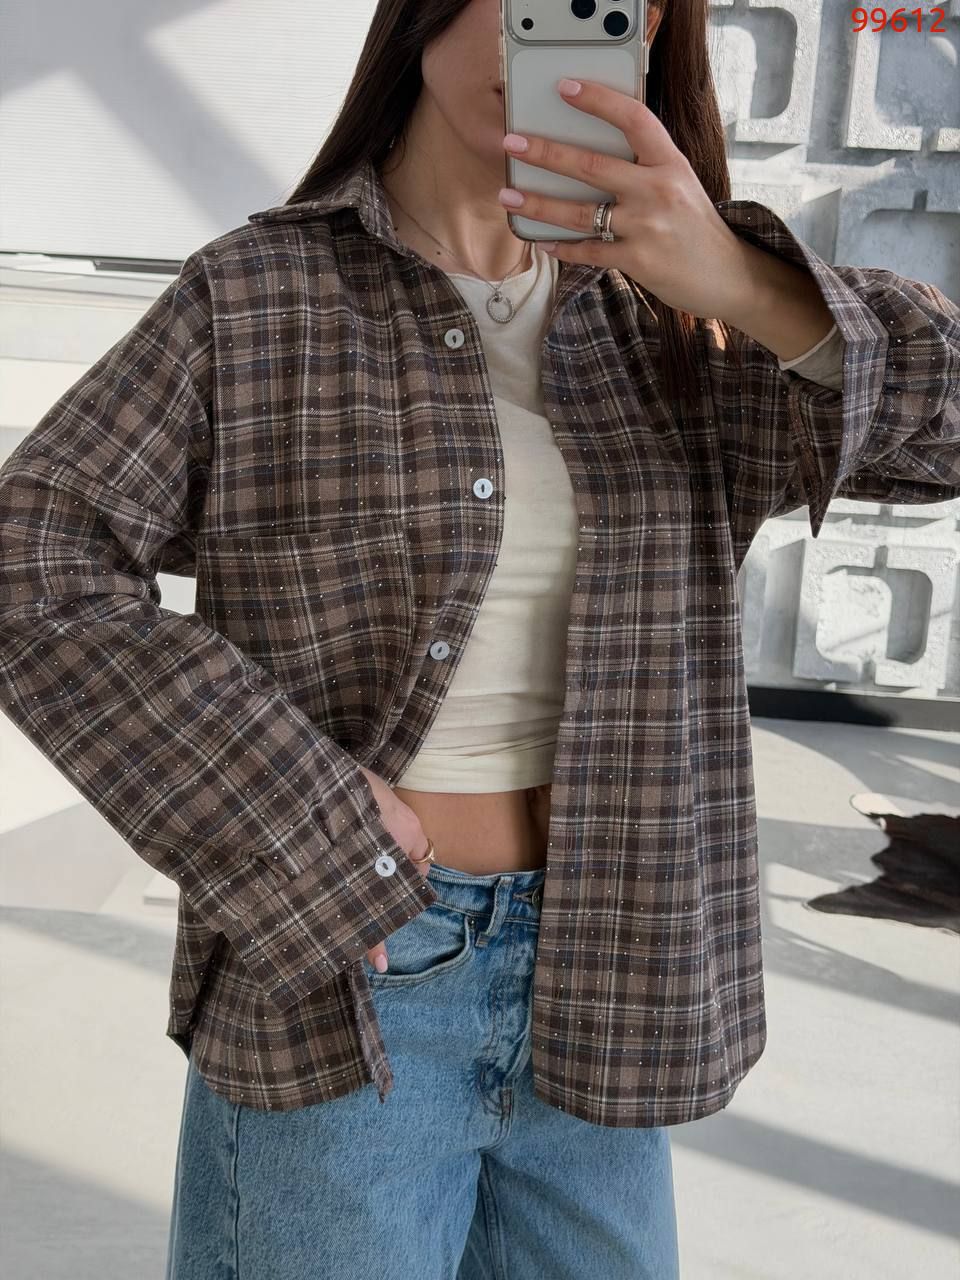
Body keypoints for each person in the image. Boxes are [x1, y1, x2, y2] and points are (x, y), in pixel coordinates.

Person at [1, 0, 957, 1277]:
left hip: (617, 972)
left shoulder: (680, 320)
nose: (545, 25)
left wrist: (736, 278)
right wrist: (292, 808)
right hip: (356, 975)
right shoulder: (257, 296)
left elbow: (944, 430)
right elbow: (35, 558)